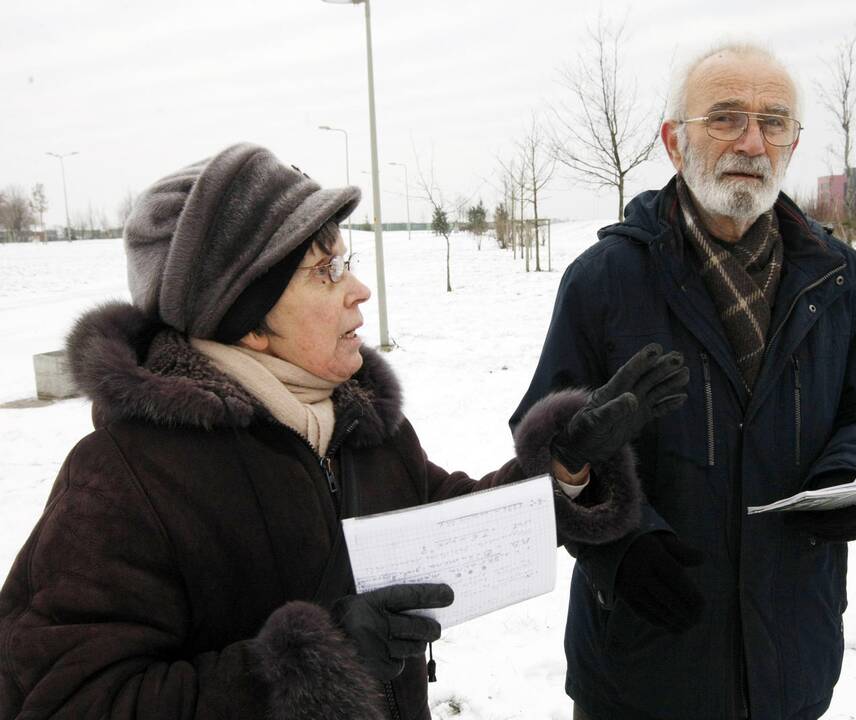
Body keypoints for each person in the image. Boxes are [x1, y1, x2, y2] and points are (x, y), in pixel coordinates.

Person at [0, 143, 689, 720]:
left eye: (346, 260)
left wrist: (564, 466)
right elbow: (64, 700)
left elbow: (451, 537)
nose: (358, 290)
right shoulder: (126, 476)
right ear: (246, 319)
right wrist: (301, 667)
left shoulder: (363, 429)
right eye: (324, 270)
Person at [512, 44, 856, 720]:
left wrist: (849, 480)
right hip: (642, 657)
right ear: (673, 141)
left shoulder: (840, 278)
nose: (752, 142)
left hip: (790, 652)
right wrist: (620, 544)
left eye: (773, 121)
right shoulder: (605, 280)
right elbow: (546, 447)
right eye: (725, 118)